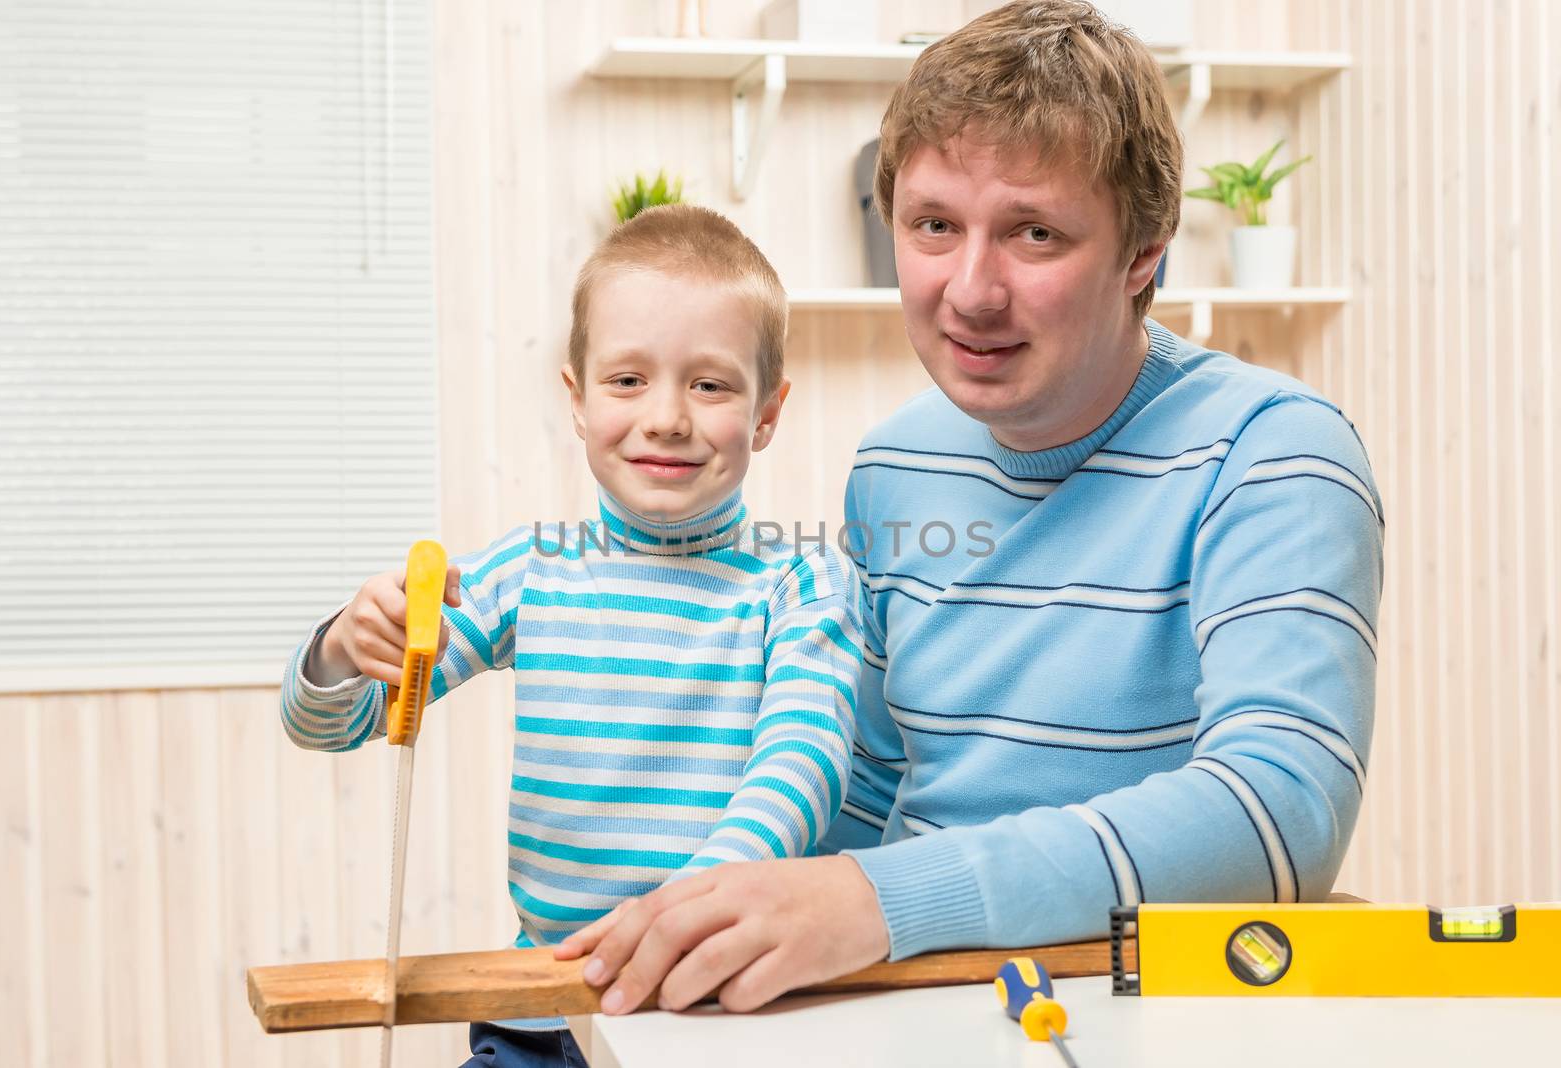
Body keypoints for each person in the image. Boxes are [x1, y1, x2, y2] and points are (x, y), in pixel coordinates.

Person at [555, 0, 1383, 1019]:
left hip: (1146, 1012)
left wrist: (882, 899)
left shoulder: (1274, 450)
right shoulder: (893, 463)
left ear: (1143, 255)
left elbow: (1279, 813)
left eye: (1034, 233)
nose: (970, 292)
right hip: (913, 999)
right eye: (932, 227)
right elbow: (864, 789)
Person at [279, 204, 862, 1067]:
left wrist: (675, 928)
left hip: (714, 1007)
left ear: (767, 413)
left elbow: (800, 775)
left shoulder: (801, 585)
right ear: (579, 402)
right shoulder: (530, 572)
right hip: (541, 1012)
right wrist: (343, 647)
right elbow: (333, 723)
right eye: (628, 381)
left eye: (710, 384)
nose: (666, 417)